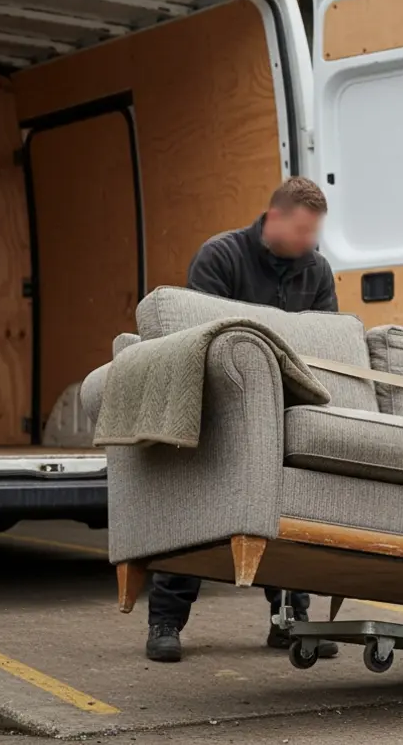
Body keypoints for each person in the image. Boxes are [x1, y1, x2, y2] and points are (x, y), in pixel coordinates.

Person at [145, 176, 342, 663]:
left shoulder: (316, 271)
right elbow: (200, 340)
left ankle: (290, 618)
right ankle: (165, 622)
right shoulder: (220, 257)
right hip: (220, 405)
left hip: (284, 408)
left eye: (314, 233)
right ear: (273, 218)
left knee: (290, 508)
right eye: (302, 231)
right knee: (197, 509)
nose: (310, 243)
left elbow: (328, 343)